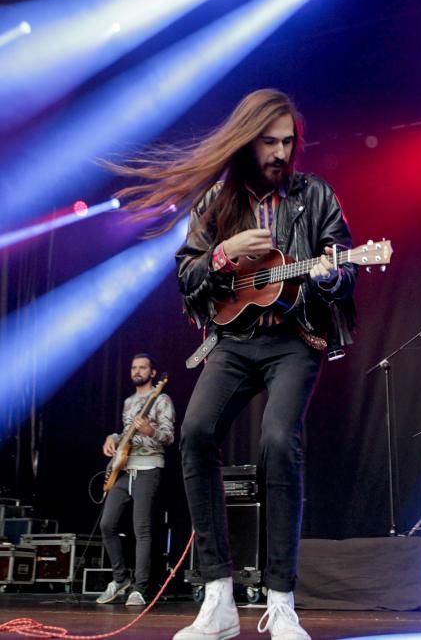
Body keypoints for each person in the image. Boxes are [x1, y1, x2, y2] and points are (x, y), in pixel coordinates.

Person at [115, 89, 357, 638]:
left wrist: (331, 274)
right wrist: (222, 257)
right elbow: (186, 274)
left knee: (277, 440)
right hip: (234, 341)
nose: (279, 152)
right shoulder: (217, 203)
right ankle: (218, 598)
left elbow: (345, 265)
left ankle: (281, 600)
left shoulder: (314, 195)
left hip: (296, 338)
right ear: (248, 141)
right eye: (268, 141)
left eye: (287, 142)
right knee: (196, 432)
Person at [97, 353, 175, 606]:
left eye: (143, 367)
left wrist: (150, 430)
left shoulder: (161, 399)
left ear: (153, 373)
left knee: (141, 529)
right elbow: (125, 433)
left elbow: (169, 436)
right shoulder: (129, 402)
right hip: (124, 468)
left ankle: (140, 588)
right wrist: (112, 437)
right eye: (134, 367)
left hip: (149, 467)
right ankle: (120, 579)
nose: (137, 371)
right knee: (107, 524)